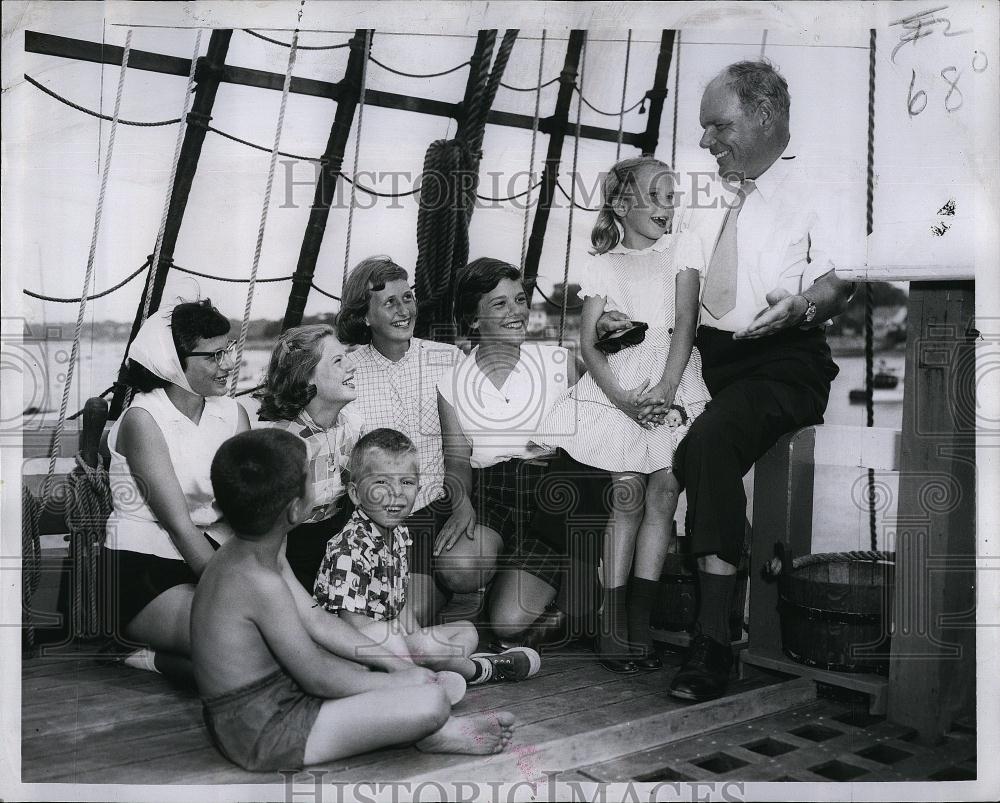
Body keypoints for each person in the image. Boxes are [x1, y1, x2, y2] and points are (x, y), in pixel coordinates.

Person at [601, 61, 854, 701]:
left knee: (705, 447)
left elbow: (842, 281)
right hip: (708, 359)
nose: (708, 142)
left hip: (785, 359)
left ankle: (711, 647)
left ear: (765, 116)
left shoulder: (827, 184)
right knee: (646, 457)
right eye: (705, 129)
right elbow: (671, 287)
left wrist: (802, 306)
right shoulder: (700, 190)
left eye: (720, 126)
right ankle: (643, 618)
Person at [192, 428, 515, 772]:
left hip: (272, 697)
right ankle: (434, 729)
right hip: (264, 733)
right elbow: (316, 676)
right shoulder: (259, 582)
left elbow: (317, 619)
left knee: (382, 668)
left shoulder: (258, 550)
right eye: (310, 477)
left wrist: (400, 667)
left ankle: (422, 723)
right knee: (431, 702)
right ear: (295, 509)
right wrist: (396, 681)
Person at [541, 157, 711, 674]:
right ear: (621, 204)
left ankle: (640, 619)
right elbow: (588, 345)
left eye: (672, 196)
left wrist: (665, 385)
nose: (669, 206)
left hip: (673, 377)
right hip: (620, 385)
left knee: (664, 493)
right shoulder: (600, 263)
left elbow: (684, 323)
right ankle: (613, 624)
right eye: (657, 196)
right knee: (627, 498)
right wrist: (621, 398)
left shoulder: (682, 248)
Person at [436, 258, 612, 643]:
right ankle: (510, 572)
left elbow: (602, 426)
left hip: (551, 497)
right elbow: (456, 459)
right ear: (472, 319)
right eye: (499, 304)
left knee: (506, 624)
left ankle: (560, 581)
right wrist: (462, 502)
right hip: (492, 494)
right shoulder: (452, 382)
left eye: (519, 299)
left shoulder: (559, 362)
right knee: (459, 567)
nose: (517, 311)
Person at [313, 428, 542, 685]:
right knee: (418, 645)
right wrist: (412, 647)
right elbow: (352, 629)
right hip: (354, 654)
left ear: (418, 487)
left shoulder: (397, 534)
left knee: (466, 632)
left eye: (406, 482)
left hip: (397, 644)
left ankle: (435, 668)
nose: (396, 492)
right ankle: (481, 669)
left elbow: (399, 605)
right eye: (381, 482)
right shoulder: (349, 548)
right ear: (355, 493)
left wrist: (417, 639)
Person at [101, 299, 249, 676]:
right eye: (214, 356)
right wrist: (241, 595)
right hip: (145, 565)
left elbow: (247, 511)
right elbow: (179, 525)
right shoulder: (143, 419)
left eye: (228, 350)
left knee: (262, 643)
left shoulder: (233, 414)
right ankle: (142, 654)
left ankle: (160, 657)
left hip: (213, 551)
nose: (228, 364)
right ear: (173, 361)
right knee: (237, 645)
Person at [338, 257, 462, 625]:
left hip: (431, 510)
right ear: (364, 315)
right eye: (389, 302)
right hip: (372, 518)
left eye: (408, 298)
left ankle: (436, 587)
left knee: (407, 619)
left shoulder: (447, 359)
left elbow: (458, 450)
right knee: (373, 618)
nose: (404, 310)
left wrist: (462, 502)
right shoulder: (347, 370)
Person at [257, 324, 363, 589]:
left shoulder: (352, 426)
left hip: (338, 539)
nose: (352, 366)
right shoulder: (283, 442)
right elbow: (268, 533)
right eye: (338, 361)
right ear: (306, 377)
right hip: (290, 549)